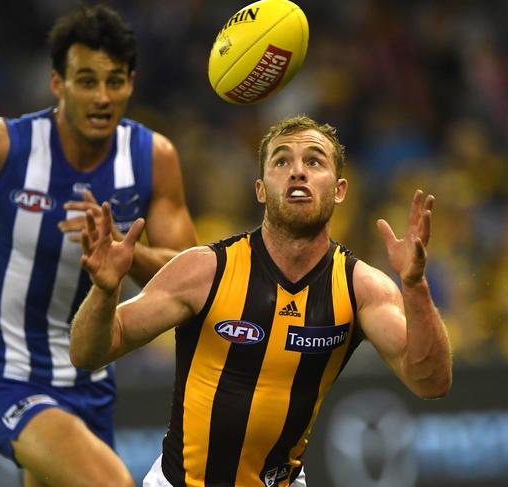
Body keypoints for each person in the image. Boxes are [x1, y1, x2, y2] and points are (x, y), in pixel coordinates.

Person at [0, 5, 196, 487]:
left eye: (114, 81)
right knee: (110, 483)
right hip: (7, 379)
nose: (102, 97)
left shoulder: (152, 157)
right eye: (86, 80)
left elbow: (187, 276)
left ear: (132, 83)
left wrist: (125, 251)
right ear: (57, 82)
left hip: (90, 383)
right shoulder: (2, 145)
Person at [69, 115, 453, 487]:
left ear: (339, 190)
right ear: (260, 188)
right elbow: (87, 353)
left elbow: (430, 382)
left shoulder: (361, 288)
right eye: (282, 160)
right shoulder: (205, 271)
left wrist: (415, 286)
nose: (297, 171)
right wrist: (104, 291)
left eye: (314, 161)